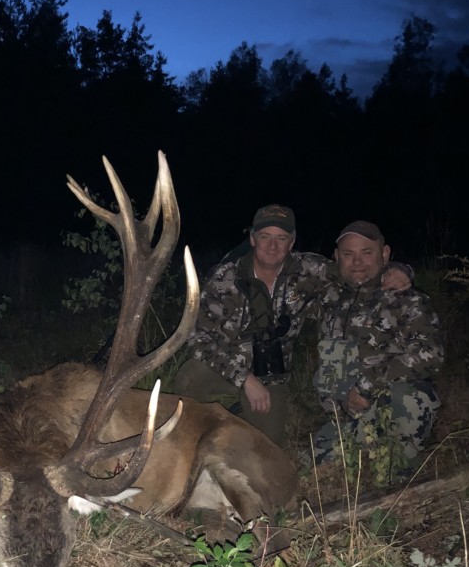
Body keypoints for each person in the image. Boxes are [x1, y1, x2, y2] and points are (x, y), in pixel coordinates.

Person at [173, 204, 410, 445]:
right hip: (227, 368)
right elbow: (198, 339)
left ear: (292, 242)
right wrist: (244, 378)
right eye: (265, 237)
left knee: (266, 448)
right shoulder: (225, 278)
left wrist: (400, 270)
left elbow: (355, 270)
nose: (272, 246)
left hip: (271, 377)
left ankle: (235, 417)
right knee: (189, 377)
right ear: (253, 239)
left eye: (281, 238)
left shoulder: (309, 269)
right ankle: (182, 440)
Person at [310, 221, 443, 480]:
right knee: (310, 469)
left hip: (388, 410)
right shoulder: (328, 298)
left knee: (411, 397)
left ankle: (399, 465)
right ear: (337, 258)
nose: (357, 261)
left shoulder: (406, 300)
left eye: (367, 252)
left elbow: (431, 353)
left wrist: (367, 386)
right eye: (348, 254)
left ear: (385, 254)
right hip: (345, 417)